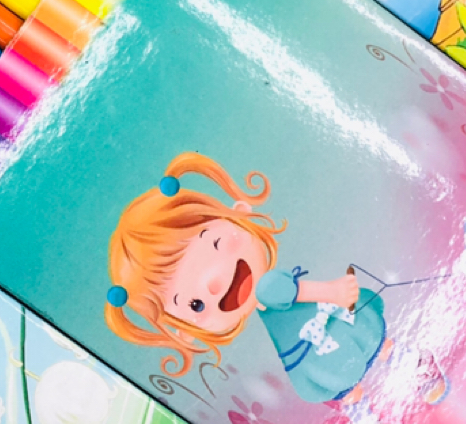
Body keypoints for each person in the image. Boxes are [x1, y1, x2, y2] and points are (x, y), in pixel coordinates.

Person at [105, 153, 388, 405]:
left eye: (215, 244)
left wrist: (332, 292)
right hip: (308, 342)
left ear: (239, 214)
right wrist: (332, 292)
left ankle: (385, 372)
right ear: (186, 331)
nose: (214, 283)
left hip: (320, 334)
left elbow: (292, 291)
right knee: (345, 371)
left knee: (361, 353)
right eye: (195, 304)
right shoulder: (267, 293)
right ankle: (367, 397)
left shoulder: (268, 287)